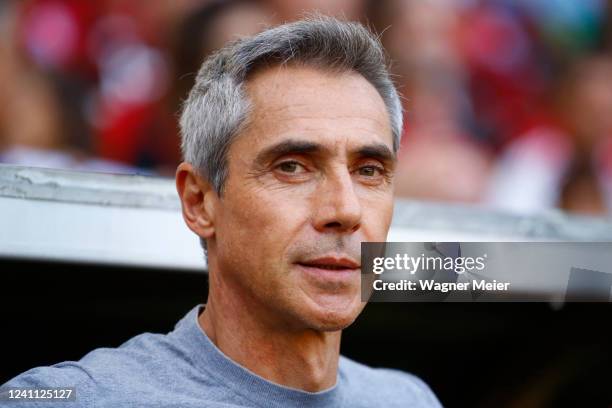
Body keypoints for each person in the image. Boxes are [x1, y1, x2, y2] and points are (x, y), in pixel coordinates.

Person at [1, 17, 442, 407]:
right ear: (199, 202)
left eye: (369, 171)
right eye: (292, 167)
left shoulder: (408, 399)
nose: (345, 209)